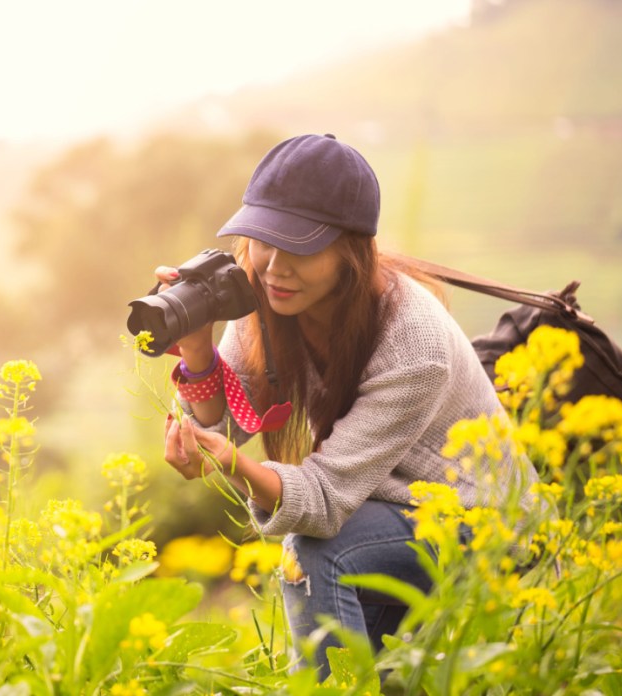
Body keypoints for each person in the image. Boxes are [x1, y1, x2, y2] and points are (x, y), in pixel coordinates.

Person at [153, 133, 537, 678]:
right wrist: (196, 347)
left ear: (351, 252)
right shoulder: (265, 303)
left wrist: (232, 464)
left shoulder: (413, 341)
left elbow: (325, 500)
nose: (274, 266)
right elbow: (229, 421)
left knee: (312, 554)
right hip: (386, 514)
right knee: (391, 680)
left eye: (301, 246)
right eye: (264, 240)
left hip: (486, 528)